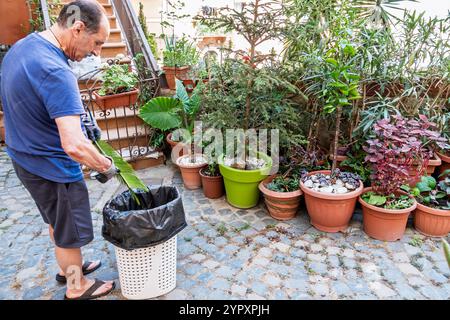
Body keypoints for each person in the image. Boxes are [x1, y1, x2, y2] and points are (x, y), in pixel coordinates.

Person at [1, 0, 118, 300]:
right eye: (97, 43)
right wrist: (105, 165)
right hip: (51, 167)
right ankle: (76, 285)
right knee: (69, 229)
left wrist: (82, 117)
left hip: (24, 157)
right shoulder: (56, 69)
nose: (96, 52)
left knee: (57, 221)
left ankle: (70, 267)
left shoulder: (25, 47)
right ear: (78, 27)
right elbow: (75, 145)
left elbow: (43, 100)